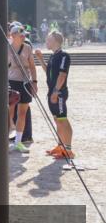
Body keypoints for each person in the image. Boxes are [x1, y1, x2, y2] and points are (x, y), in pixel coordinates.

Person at [36, 30, 74, 159]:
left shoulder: (64, 56)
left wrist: (56, 92)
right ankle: (60, 146)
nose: (46, 42)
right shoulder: (53, 56)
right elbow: (48, 72)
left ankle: (68, 150)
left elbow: (62, 75)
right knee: (57, 120)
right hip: (52, 92)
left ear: (55, 41)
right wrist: (41, 59)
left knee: (63, 120)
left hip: (59, 93)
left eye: (48, 40)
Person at [7, 23, 37, 153]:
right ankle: (5, 140)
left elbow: (32, 66)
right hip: (11, 82)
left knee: (23, 113)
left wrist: (34, 82)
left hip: (25, 82)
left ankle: (18, 142)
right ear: (13, 36)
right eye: (21, 35)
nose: (23, 37)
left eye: (24, 35)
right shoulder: (7, 48)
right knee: (9, 112)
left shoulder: (28, 48)